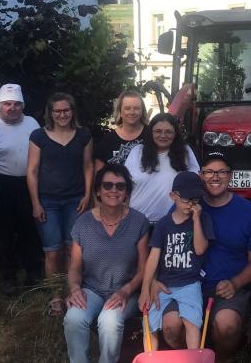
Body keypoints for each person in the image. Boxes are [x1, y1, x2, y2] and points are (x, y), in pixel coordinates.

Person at [156, 152, 251, 361]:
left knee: (226, 325)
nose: (215, 177)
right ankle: (189, 358)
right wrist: (154, 280)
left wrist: (236, 282)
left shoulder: (250, 213)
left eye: (222, 172)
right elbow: (163, 245)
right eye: (209, 172)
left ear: (230, 176)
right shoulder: (183, 205)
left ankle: (220, 358)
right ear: (200, 175)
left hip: (224, 288)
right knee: (170, 327)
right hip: (183, 283)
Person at [63, 163, 149, 363]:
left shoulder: (139, 222)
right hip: (92, 289)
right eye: (107, 185)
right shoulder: (83, 223)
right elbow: (75, 266)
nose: (114, 190)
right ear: (98, 192)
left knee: (109, 321)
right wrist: (75, 288)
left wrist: (126, 291)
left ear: (126, 193)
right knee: (74, 319)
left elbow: (144, 269)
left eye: (120, 186)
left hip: (127, 290)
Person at [27, 92, 93, 316]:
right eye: (57, 111)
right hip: (48, 201)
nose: (62, 114)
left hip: (76, 200)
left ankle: (71, 293)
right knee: (52, 252)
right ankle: (55, 296)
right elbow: (32, 171)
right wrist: (36, 202)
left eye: (66, 110)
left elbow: (88, 167)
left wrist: (88, 195)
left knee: (72, 250)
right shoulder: (39, 136)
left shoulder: (83, 135)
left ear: (72, 111)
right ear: (50, 113)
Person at [139, 171, 216, 349]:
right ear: (173, 196)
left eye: (196, 200)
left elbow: (200, 249)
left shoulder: (204, 219)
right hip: (165, 284)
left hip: (190, 283)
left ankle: (193, 358)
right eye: (187, 200)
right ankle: (151, 359)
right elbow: (153, 257)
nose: (191, 205)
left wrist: (196, 220)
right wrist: (145, 288)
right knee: (150, 324)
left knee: (192, 321)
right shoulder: (163, 224)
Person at [0, 84, 43, 296]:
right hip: (3, 183)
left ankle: (33, 274)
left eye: (16, 104)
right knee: (5, 233)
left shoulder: (32, 123)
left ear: (23, 105)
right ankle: (8, 277)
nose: (12, 108)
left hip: (29, 184)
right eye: (7, 104)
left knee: (30, 230)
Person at [124, 113, 200, 223]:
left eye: (168, 132)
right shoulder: (137, 151)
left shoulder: (185, 152)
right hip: (136, 223)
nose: (163, 135)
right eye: (158, 131)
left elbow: (195, 183)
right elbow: (124, 185)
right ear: (151, 133)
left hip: (172, 225)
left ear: (175, 133)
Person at [94, 91, 149, 171]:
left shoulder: (152, 135)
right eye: (127, 108)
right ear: (120, 112)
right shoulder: (108, 139)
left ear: (142, 111)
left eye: (137, 108)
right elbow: (98, 174)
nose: (132, 112)